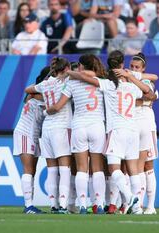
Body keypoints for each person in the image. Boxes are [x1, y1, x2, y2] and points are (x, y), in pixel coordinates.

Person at [71, 50, 152, 215]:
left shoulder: (108, 85)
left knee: (114, 168)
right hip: (133, 130)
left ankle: (129, 197)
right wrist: (131, 77)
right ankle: (137, 207)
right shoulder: (131, 86)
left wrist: (70, 72)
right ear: (123, 65)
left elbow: (87, 78)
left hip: (117, 130)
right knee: (133, 170)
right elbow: (149, 94)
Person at [46, 54, 107, 214]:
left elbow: (58, 105)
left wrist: (47, 111)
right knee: (98, 168)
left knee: (81, 169)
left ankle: (81, 205)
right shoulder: (102, 80)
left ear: (81, 66)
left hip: (79, 126)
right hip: (97, 126)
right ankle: (99, 205)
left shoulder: (72, 82)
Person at [25, 57, 72, 214]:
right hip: (62, 126)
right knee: (64, 167)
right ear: (65, 69)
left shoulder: (45, 84)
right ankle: (64, 205)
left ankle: (53, 205)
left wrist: (49, 77)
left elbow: (28, 89)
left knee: (52, 168)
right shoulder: (67, 82)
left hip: (47, 129)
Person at [13, 66, 50, 214]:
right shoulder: (39, 95)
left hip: (33, 134)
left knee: (32, 171)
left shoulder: (35, 93)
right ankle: (28, 206)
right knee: (28, 170)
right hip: (25, 133)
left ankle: (30, 205)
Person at [128, 52, 159, 215]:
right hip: (131, 123)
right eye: (132, 66)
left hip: (146, 123)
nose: (133, 69)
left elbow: (150, 95)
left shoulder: (146, 80)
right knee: (133, 166)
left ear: (143, 69)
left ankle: (150, 205)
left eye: (137, 67)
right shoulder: (127, 79)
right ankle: (136, 204)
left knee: (147, 165)